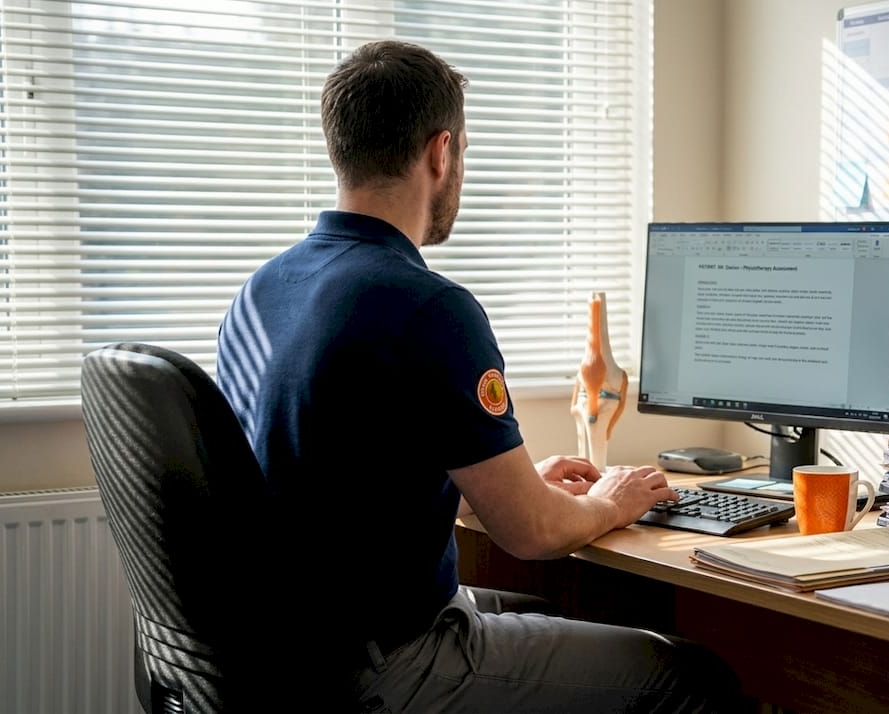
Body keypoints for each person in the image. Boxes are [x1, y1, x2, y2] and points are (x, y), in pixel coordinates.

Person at [216, 39, 742, 712]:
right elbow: (534, 535)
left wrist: (511, 484)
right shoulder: (429, 305)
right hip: (386, 662)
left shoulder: (262, 292)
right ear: (441, 152)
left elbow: (336, 484)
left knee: (536, 607)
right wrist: (612, 499)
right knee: (693, 678)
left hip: (288, 653)